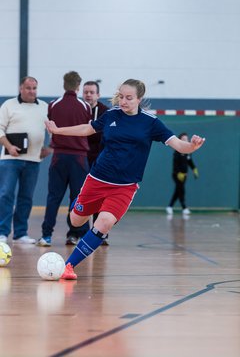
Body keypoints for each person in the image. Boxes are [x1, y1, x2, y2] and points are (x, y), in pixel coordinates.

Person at [45, 79, 205, 279]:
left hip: (124, 187)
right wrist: (58, 131)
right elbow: (88, 129)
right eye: (121, 96)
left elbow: (178, 145)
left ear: (139, 99)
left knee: (104, 223)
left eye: (129, 98)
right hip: (97, 180)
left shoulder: (151, 122)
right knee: (75, 221)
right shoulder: (111, 115)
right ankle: (84, 204)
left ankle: (68, 267)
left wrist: (192, 146)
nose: (123, 101)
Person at [37, 71, 92, 247]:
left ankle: (46, 236)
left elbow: (51, 129)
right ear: (78, 86)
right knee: (77, 198)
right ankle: (74, 235)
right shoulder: (85, 107)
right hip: (79, 158)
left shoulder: (53, 105)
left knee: (53, 197)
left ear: (64, 85)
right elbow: (86, 129)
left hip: (59, 157)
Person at [0, 76, 50, 244]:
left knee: (26, 197)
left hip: (33, 161)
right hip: (10, 159)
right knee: (6, 194)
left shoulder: (44, 107)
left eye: (34, 88)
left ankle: (21, 233)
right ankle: (2, 233)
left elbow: (54, 130)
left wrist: (51, 148)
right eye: (28, 88)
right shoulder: (8, 105)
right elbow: (0, 128)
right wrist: (9, 146)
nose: (32, 91)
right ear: (21, 88)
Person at [82, 81, 109, 245]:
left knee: (100, 198)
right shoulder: (77, 110)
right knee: (83, 196)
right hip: (80, 159)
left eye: (92, 92)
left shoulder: (106, 112)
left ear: (98, 95)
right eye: (86, 92)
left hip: (100, 161)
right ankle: (79, 233)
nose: (88, 95)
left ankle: (100, 234)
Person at [166, 132, 199, 216]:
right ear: (180, 140)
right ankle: (184, 208)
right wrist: (178, 173)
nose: (186, 140)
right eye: (183, 139)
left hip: (184, 175)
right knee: (181, 190)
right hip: (177, 175)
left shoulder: (188, 152)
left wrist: (194, 169)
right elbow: (175, 165)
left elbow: (190, 161)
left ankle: (170, 206)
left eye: (187, 139)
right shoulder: (177, 152)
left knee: (178, 191)